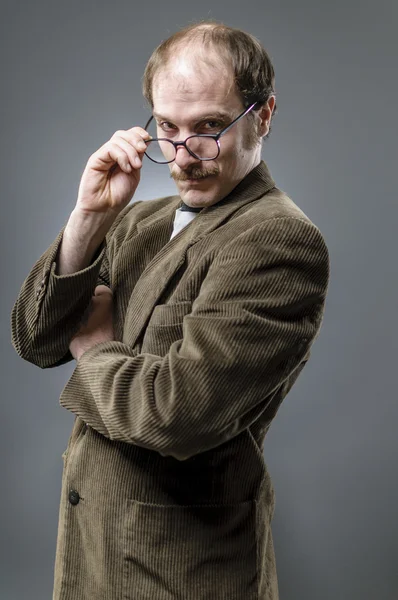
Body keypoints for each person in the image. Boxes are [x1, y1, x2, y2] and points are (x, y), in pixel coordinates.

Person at [11, 20, 330, 600]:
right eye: (167, 128)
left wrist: (97, 349)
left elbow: (178, 414)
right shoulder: (138, 220)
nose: (183, 156)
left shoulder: (278, 240)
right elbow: (36, 340)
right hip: (89, 562)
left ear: (263, 115)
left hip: (182, 573)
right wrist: (86, 220)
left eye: (209, 127)